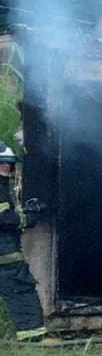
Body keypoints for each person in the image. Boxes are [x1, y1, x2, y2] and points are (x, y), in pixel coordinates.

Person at [0, 145, 48, 341]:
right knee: (21, 291)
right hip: (5, 255)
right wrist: (28, 219)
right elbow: (3, 219)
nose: (8, 168)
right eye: (6, 164)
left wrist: (24, 211)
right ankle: (33, 338)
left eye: (10, 165)